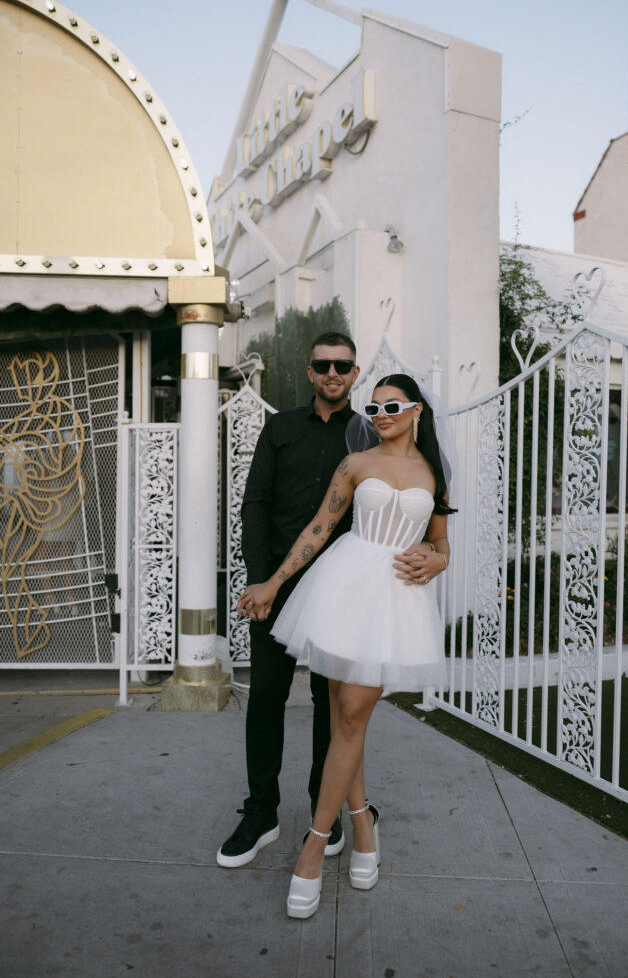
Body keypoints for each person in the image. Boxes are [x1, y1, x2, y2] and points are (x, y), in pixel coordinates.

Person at [237, 373, 454, 918]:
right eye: (374, 406)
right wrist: (274, 582)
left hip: (395, 599)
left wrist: (437, 560)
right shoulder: (355, 465)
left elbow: (441, 544)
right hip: (343, 586)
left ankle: (313, 847)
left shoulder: (435, 474)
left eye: (393, 405)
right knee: (344, 719)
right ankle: (361, 827)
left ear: (417, 411)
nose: (381, 414)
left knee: (352, 714)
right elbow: (317, 528)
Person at [216, 332, 360, 868]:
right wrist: (260, 580)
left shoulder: (367, 433)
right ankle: (261, 812)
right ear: (308, 372)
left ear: (355, 371)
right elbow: (256, 504)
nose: (332, 374)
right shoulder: (280, 428)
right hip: (276, 585)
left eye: (341, 365)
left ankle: (325, 810)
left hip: (340, 591)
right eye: (322, 364)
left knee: (333, 704)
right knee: (266, 698)